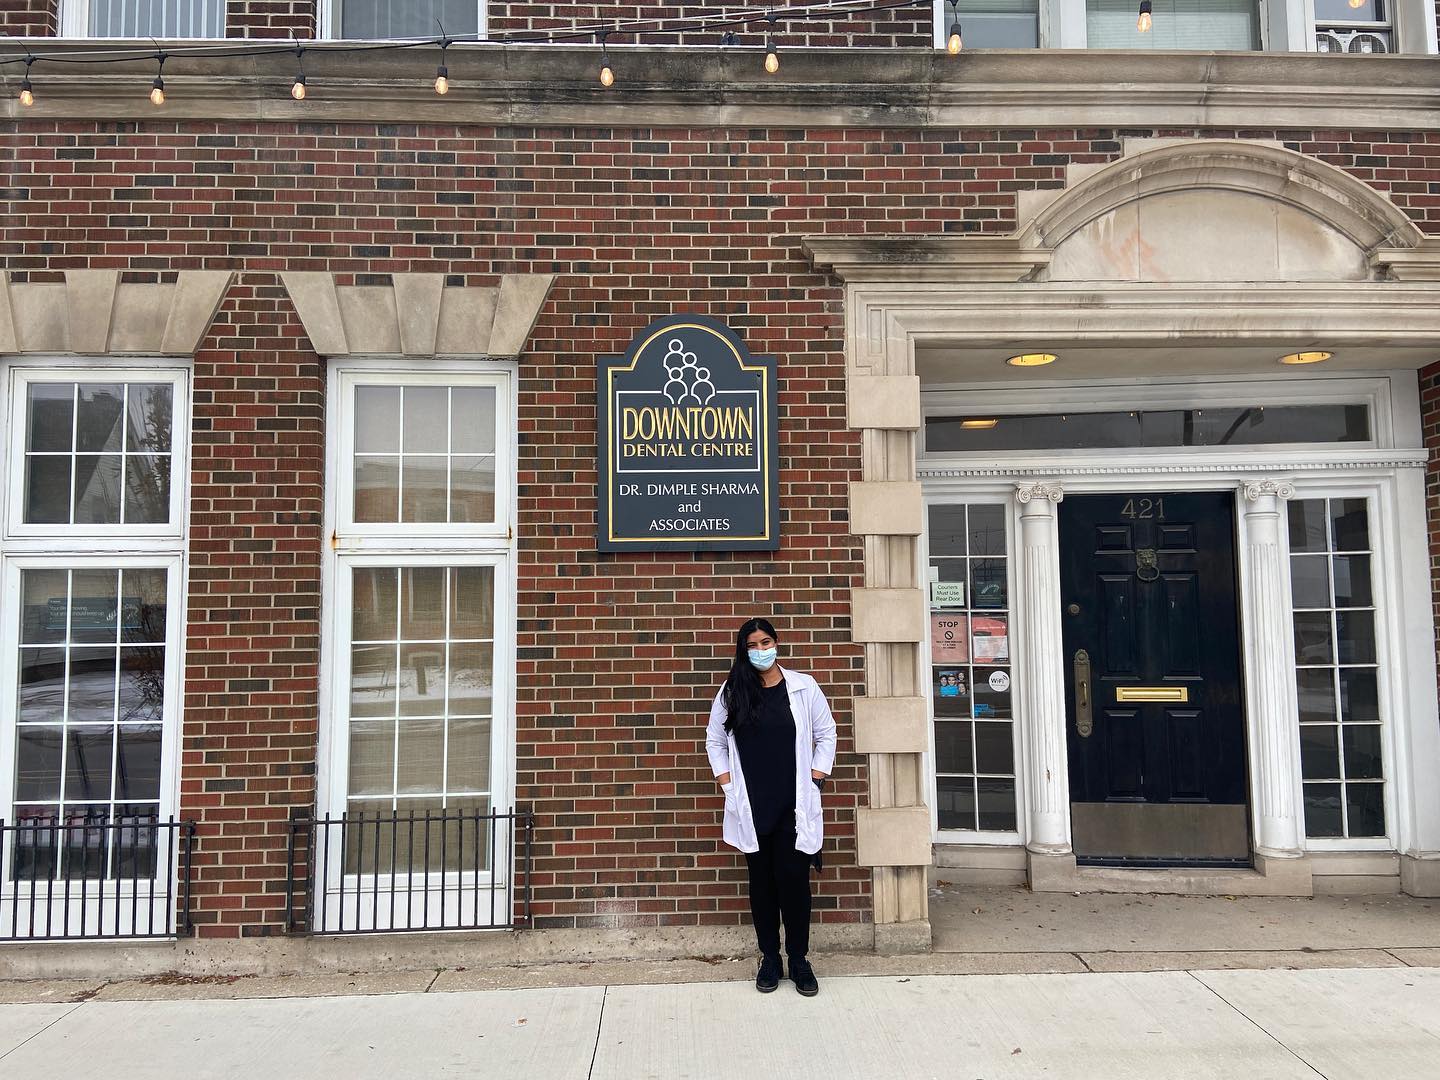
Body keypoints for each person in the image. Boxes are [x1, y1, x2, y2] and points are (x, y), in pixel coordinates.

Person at [705, 617, 836, 997]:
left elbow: (827, 734)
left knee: (794, 884)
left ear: (776, 643)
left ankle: (799, 960)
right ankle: (770, 959)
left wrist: (816, 778)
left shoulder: (804, 687)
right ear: (743, 650)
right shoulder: (733, 691)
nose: (761, 651)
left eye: (766, 642)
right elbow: (715, 741)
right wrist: (727, 785)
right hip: (752, 803)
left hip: (794, 804)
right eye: (752, 645)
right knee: (762, 886)